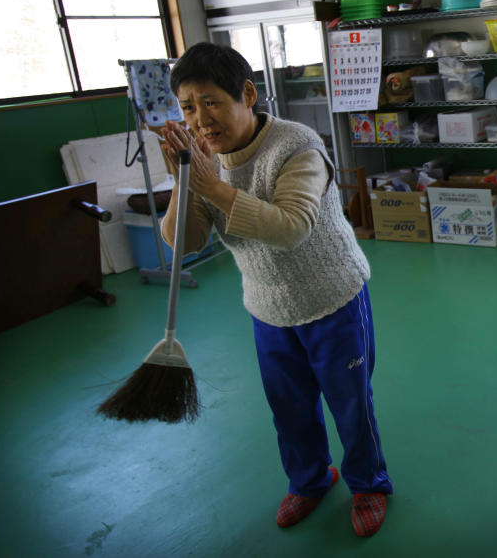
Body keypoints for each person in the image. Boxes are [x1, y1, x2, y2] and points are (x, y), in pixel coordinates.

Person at [158, 42, 393, 537]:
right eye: (187, 108)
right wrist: (184, 180)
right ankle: (309, 481)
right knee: (287, 406)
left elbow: (291, 227)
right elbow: (186, 240)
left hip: (333, 298)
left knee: (350, 402)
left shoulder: (297, 146)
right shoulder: (202, 159)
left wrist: (213, 185)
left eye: (211, 102)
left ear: (248, 93)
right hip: (267, 308)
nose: (200, 120)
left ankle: (369, 484)